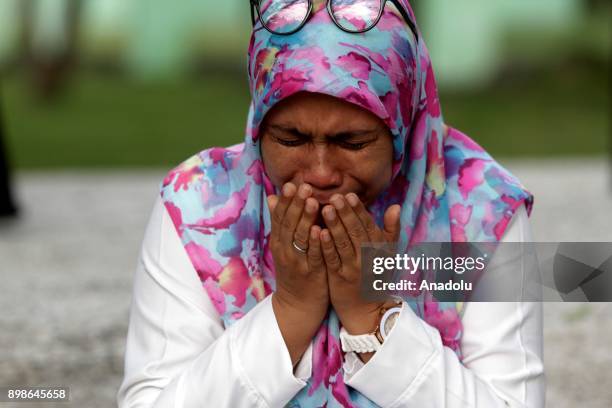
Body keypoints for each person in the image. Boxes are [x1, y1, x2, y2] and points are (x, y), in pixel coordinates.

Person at [118, 1, 544, 406]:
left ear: (403, 127)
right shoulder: (199, 208)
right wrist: (290, 312)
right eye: (290, 139)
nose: (320, 172)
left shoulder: (480, 213)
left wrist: (373, 315)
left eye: (352, 142)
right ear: (259, 129)